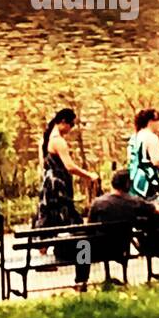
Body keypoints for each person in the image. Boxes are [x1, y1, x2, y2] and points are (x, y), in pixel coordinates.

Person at [76, 171, 159, 289]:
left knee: (83, 245)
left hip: (99, 248)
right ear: (128, 184)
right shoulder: (134, 202)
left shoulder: (98, 203)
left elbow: (89, 228)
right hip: (121, 247)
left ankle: (81, 281)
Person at [34, 110, 100, 260]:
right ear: (63, 121)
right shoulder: (58, 141)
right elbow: (69, 166)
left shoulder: (45, 139)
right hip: (59, 186)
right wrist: (89, 175)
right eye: (71, 124)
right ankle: (83, 258)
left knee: (48, 219)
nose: (71, 128)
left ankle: (44, 258)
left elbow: (43, 165)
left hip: (48, 184)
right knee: (74, 221)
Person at [127, 109, 159, 201]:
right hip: (148, 178)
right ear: (150, 122)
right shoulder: (150, 137)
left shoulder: (134, 137)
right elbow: (156, 160)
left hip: (134, 177)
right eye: (157, 121)